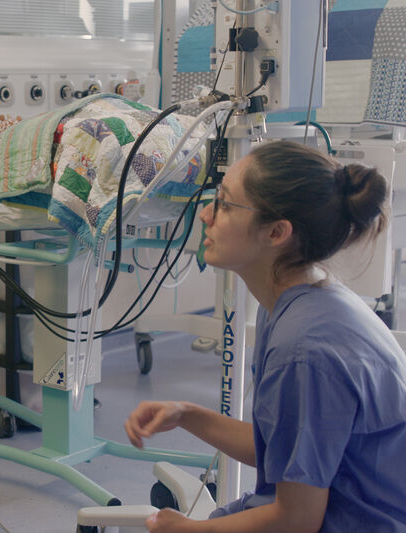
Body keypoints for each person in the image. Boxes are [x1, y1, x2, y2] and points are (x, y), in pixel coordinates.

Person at [125, 140, 406, 532]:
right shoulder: (305, 300)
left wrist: (190, 530)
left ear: (277, 232)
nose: (206, 215)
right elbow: (284, 449)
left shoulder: (304, 347)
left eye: (224, 204)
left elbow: (297, 519)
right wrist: (186, 414)